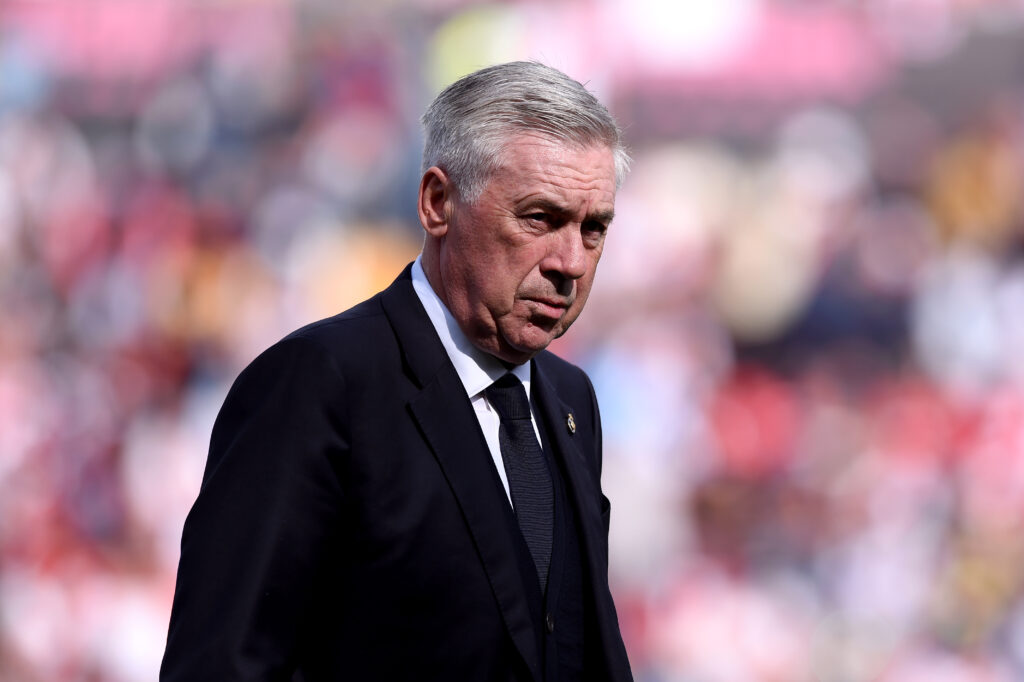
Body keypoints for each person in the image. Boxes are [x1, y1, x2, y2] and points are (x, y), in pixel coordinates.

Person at [161, 61, 633, 682]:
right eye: (540, 218)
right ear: (438, 203)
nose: (570, 262)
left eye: (593, 229)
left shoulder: (571, 402)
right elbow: (223, 662)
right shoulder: (319, 384)